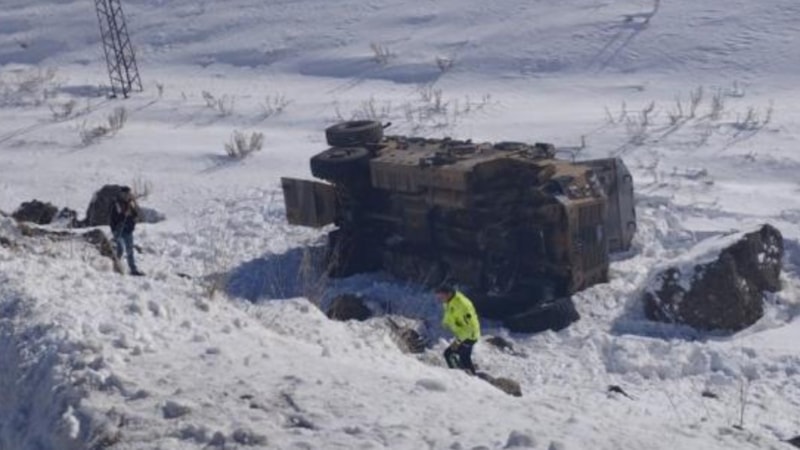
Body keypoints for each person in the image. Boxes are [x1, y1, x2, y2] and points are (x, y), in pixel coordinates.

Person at [435, 283, 481, 374]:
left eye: (441, 296)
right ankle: (470, 376)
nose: (439, 299)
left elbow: (470, 327)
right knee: (464, 357)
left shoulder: (463, 306)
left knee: (449, 354)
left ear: (448, 294)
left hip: (469, 336)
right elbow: (449, 313)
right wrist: (445, 323)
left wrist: (459, 341)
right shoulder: (449, 301)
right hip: (464, 335)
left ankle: (457, 375)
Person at [109, 186, 144, 276]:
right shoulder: (117, 204)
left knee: (130, 250)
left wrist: (134, 217)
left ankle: (133, 269)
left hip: (128, 230)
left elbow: (137, 214)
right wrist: (124, 214)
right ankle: (116, 266)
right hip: (118, 230)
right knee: (120, 248)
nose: (128, 196)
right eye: (126, 194)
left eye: (129, 194)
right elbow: (115, 218)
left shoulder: (131, 204)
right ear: (122, 194)